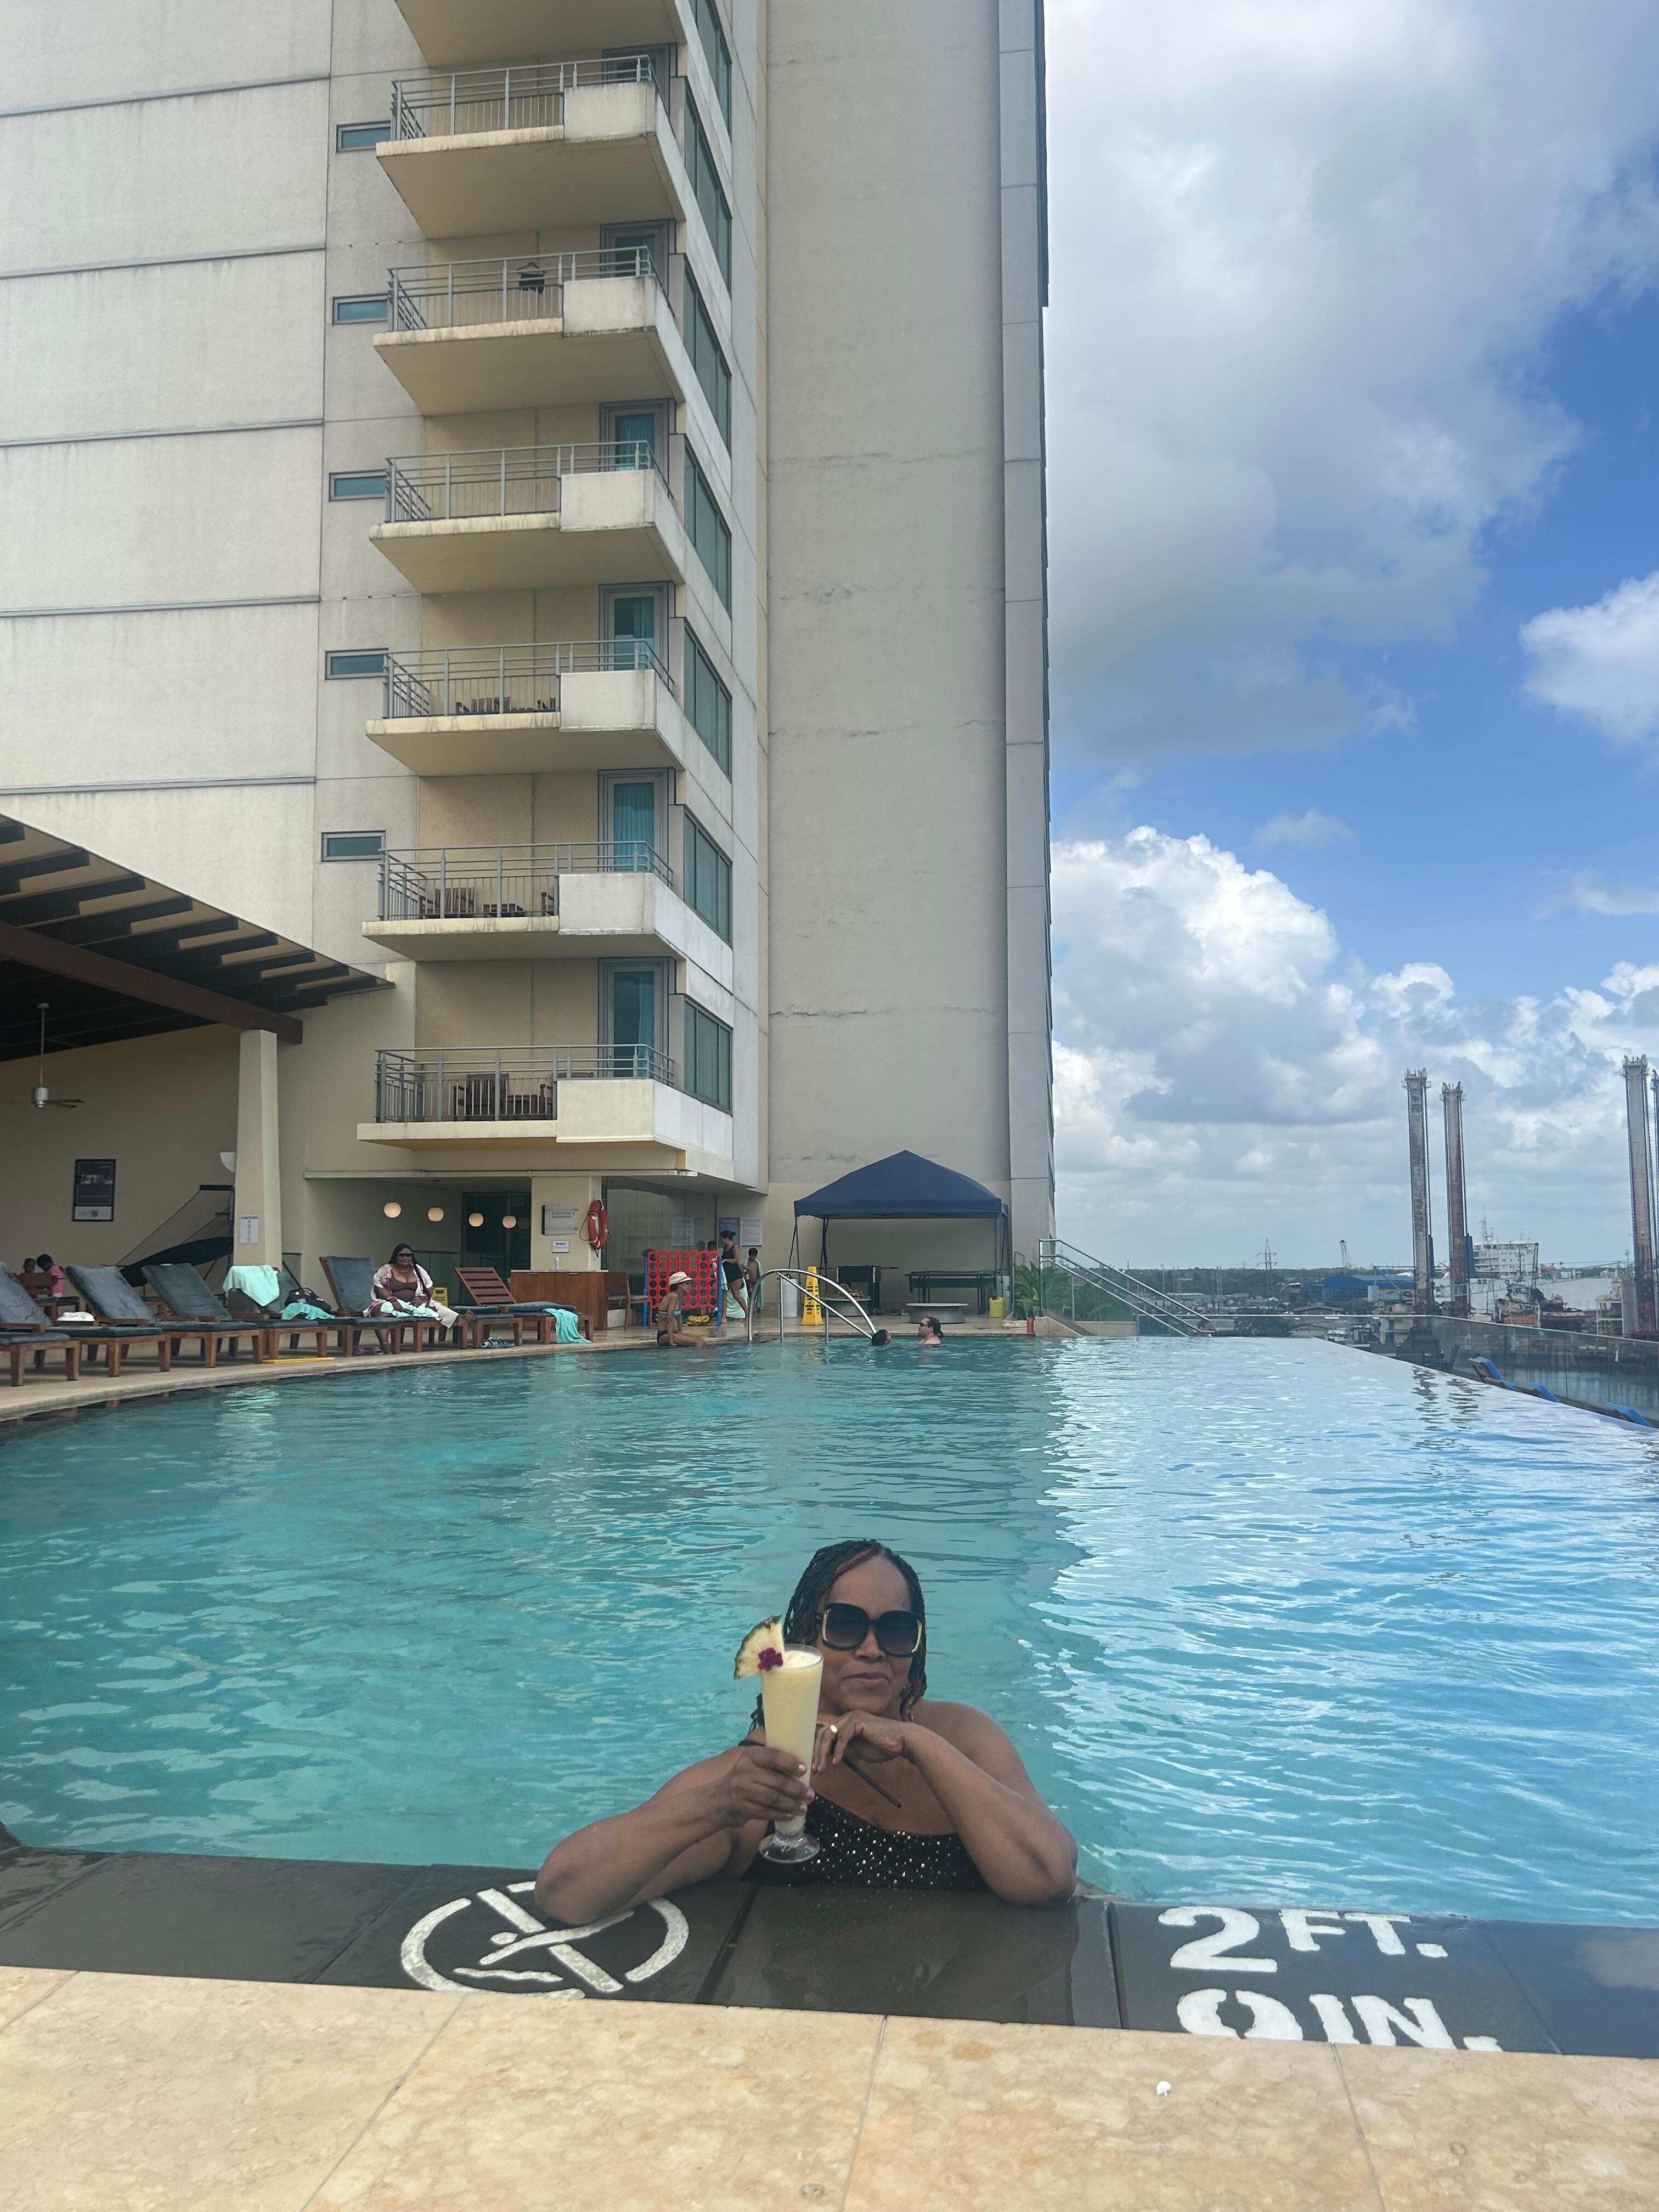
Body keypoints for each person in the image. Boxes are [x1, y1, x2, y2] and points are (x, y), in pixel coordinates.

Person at [534, 1539, 1076, 1919]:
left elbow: (1049, 1878)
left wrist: (919, 1745)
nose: (871, 1649)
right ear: (804, 1640)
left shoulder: (965, 1738)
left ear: (916, 1646)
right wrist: (716, 1806)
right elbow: (565, 1892)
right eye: (845, 1625)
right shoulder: (758, 1785)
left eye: (895, 1630)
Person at [370, 1244, 462, 1345]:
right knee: (382, 1310)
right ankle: (385, 1344)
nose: (405, 1258)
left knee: (440, 1309)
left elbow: (430, 1287)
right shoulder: (387, 1269)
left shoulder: (418, 1270)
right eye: (402, 1255)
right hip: (393, 1304)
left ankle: (460, 1319)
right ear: (396, 1256)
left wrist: (422, 1299)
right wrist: (393, 1301)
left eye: (408, 1255)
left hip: (415, 1305)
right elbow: (378, 1287)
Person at [654, 1268, 708, 1348]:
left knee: (702, 1342)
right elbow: (669, 1320)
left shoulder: (679, 1297)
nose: (689, 1286)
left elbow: (679, 1319)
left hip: (674, 1334)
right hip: (665, 1335)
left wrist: (681, 1334)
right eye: (687, 1284)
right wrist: (671, 1341)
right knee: (699, 1343)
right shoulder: (673, 1296)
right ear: (680, 1285)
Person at [718, 1229, 748, 1329]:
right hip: (727, 1275)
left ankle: (748, 1315)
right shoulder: (725, 1248)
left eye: (722, 1239)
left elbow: (736, 1260)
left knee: (736, 1295)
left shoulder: (735, 1247)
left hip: (735, 1275)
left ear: (726, 1238)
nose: (721, 1241)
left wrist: (726, 1260)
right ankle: (724, 1317)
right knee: (724, 1295)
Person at [744, 1246, 763, 1314]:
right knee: (751, 1294)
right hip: (750, 1281)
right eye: (752, 1256)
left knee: (755, 1295)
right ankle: (751, 1308)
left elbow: (760, 1272)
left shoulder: (757, 1263)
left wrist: (760, 1281)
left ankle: (754, 1307)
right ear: (749, 1256)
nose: (753, 1258)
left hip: (756, 1282)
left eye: (755, 1256)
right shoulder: (747, 1262)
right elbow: (745, 1272)